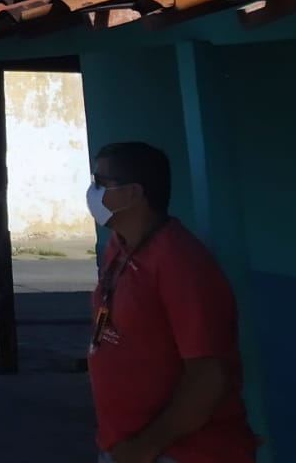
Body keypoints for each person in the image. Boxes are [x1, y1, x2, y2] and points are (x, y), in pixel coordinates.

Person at [87, 141, 258, 463]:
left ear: (133, 194)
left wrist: (144, 448)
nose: (91, 192)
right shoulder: (120, 246)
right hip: (122, 445)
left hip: (181, 453)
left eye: (100, 183)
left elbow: (209, 378)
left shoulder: (179, 262)